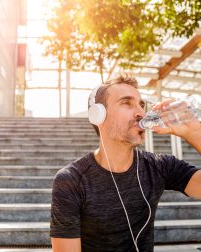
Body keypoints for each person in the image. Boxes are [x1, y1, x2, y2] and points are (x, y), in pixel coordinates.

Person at [50, 76, 201, 252]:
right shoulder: (71, 180)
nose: (141, 113)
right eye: (127, 103)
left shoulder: (160, 166)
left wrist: (196, 134)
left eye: (141, 105)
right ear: (98, 115)